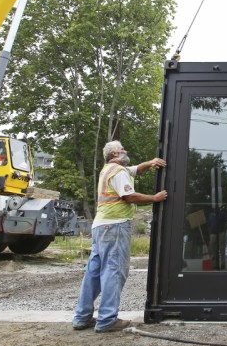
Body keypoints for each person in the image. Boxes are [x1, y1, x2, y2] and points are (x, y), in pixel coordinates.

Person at [72, 141, 167, 333]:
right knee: (114, 271)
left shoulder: (109, 170)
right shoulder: (118, 172)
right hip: (114, 226)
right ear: (115, 153)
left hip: (101, 227)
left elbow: (135, 170)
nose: (126, 150)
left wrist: (149, 163)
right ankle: (107, 319)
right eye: (123, 149)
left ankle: (82, 317)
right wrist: (154, 198)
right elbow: (129, 196)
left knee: (93, 274)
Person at [207, 205, 227, 270]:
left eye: (217, 207)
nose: (215, 209)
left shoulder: (222, 214)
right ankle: (215, 264)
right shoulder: (210, 215)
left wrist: (224, 232)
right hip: (213, 234)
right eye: (214, 207)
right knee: (213, 250)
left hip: (221, 233)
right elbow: (209, 224)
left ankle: (222, 264)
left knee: (222, 249)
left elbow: (225, 223)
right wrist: (210, 232)